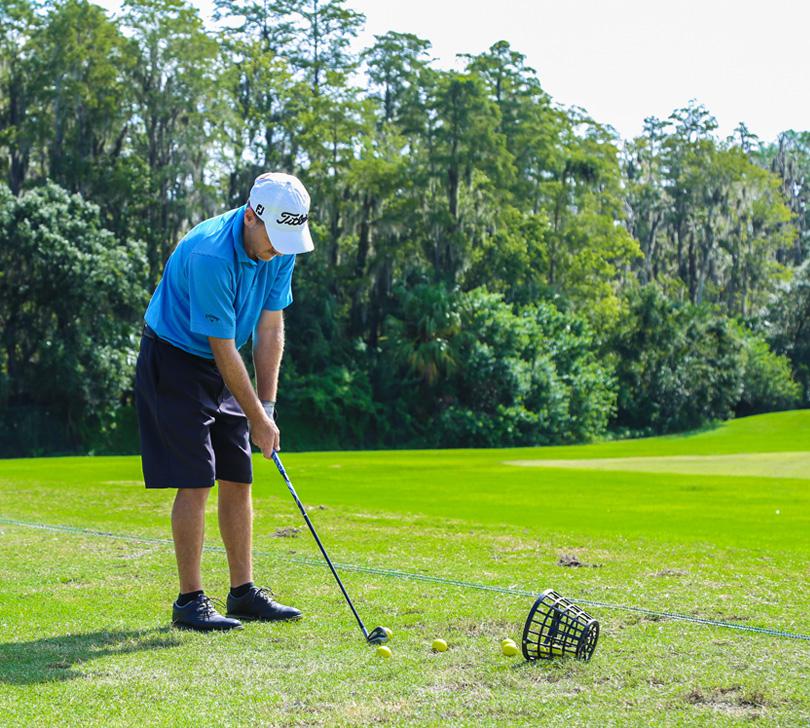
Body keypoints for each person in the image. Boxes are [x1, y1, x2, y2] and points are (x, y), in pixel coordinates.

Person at [134, 172, 314, 631]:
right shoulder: (212, 252)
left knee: (238, 473)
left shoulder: (279, 250)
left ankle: (243, 593)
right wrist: (255, 416)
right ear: (252, 215)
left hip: (221, 361)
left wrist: (266, 411)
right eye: (273, 238)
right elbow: (223, 346)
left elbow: (270, 329)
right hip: (175, 358)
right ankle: (189, 602)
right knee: (196, 478)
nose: (278, 248)